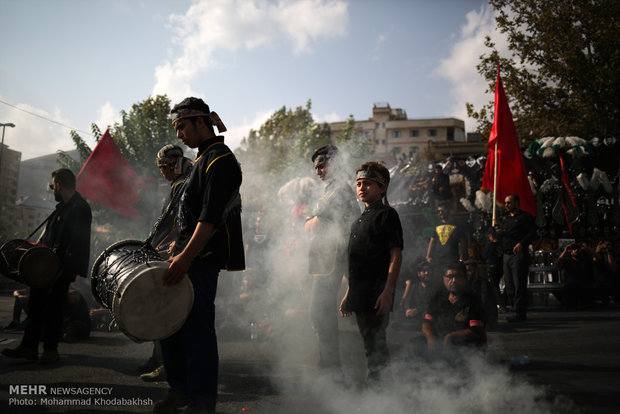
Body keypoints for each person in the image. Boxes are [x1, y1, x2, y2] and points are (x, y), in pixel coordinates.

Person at [155, 97, 245, 414]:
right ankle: (179, 390)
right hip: (187, 257)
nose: (179, 134)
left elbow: (210, 218)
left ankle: (203, 402)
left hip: (201, 260)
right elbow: (190, 216)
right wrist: (175, 247)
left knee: (197, 332)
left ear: (200, 122)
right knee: (170, 324)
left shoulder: (220, 160)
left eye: (182, 126)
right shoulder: (204, 159)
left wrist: (186, 256)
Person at [2, 168, 92, 364]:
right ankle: (29, 347)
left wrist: (60, 266)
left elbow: (77, 243)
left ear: (59, 185)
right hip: (48, 267)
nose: (52, 190)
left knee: (53, 308)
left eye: (53, 186)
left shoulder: (80, 208)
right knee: (37, 305)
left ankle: (50, 350)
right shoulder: (64, 208)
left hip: (60, 268)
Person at [340, 161, 403, 385]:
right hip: (360, 291)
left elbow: (396, 255)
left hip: (377, 291)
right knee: (368, 342)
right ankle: (378, 387)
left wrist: (388, 291)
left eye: (368, 183)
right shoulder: (358, 220)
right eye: (358, 183)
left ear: (382, 187)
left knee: (376, 343)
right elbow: (356, 263)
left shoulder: (387, 215)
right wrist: (349, 292)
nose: (361, 187)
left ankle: (380, 391)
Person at [140, 144, 193, 382]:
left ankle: (166, 364)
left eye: (162, 166)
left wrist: (158, 246)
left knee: (167, 311)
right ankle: (159, 359)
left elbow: (177, 226)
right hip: (171, 252)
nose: (161, 171)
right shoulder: (176, 185)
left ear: (171, 165)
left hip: (175, 255)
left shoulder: (183, 186)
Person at [305, 145, 359, 373]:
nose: (318, 171)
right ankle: (328, 363)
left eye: (323, 165)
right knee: (319, 312)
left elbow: (315, 226)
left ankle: (330, 366)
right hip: (324, 259)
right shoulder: (329, 191)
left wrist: (309, 222)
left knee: (319, 312)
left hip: (333, 259)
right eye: (316, 167)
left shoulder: (339, 191)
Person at [421, 262, 486, 357]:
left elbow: (476, 330)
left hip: (464, 345)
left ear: (465, 278)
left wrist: (450, 336)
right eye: (450, 277)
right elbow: (426, 322)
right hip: (439, 340)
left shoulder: (473, 299)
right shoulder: (438, 297)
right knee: (414, 345)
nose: (454, 280)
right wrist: (430, 338)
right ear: (444, 279)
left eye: (458, 276)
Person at [496, 194, 536, 322]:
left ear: (517, 203)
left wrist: (522, 244)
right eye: (506, 203)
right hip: (506, 255)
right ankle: (514, 308)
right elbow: (501, 235)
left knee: (519, 284)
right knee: (509, 285)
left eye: (509, 202)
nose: (507, 205)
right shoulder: (505, 219)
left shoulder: (525, 217)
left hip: (518, 255)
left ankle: (519, 312)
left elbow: (532, 233)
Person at [426, 203, 466, 281]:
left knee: (450, 280)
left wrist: (462, 257)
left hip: (452, 259)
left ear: (448, 210)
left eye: (442, 211)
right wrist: (428, 256)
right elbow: (432, 241)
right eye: (439, 211)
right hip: (438, 260)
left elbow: (463, 241)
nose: (440, 213)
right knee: (438, 281)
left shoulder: (457, 225)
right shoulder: (437, 226)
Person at [556, 242, 594, 308]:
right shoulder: (567, 260)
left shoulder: (585, 260)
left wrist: (588, 249)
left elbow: (595, 259)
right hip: (571, 286)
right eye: (574, 249)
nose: (576, 250)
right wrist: (565, 251)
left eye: (577, 249)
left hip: (584, 285)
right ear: (571, 251)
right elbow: (558, 263)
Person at [464, 259, 497, 329]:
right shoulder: (467, 283)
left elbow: (484, 303)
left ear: (476, 270)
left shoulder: (483, 284)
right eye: (465, 271)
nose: (467, 273)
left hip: (486, 319)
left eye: (469, 270)